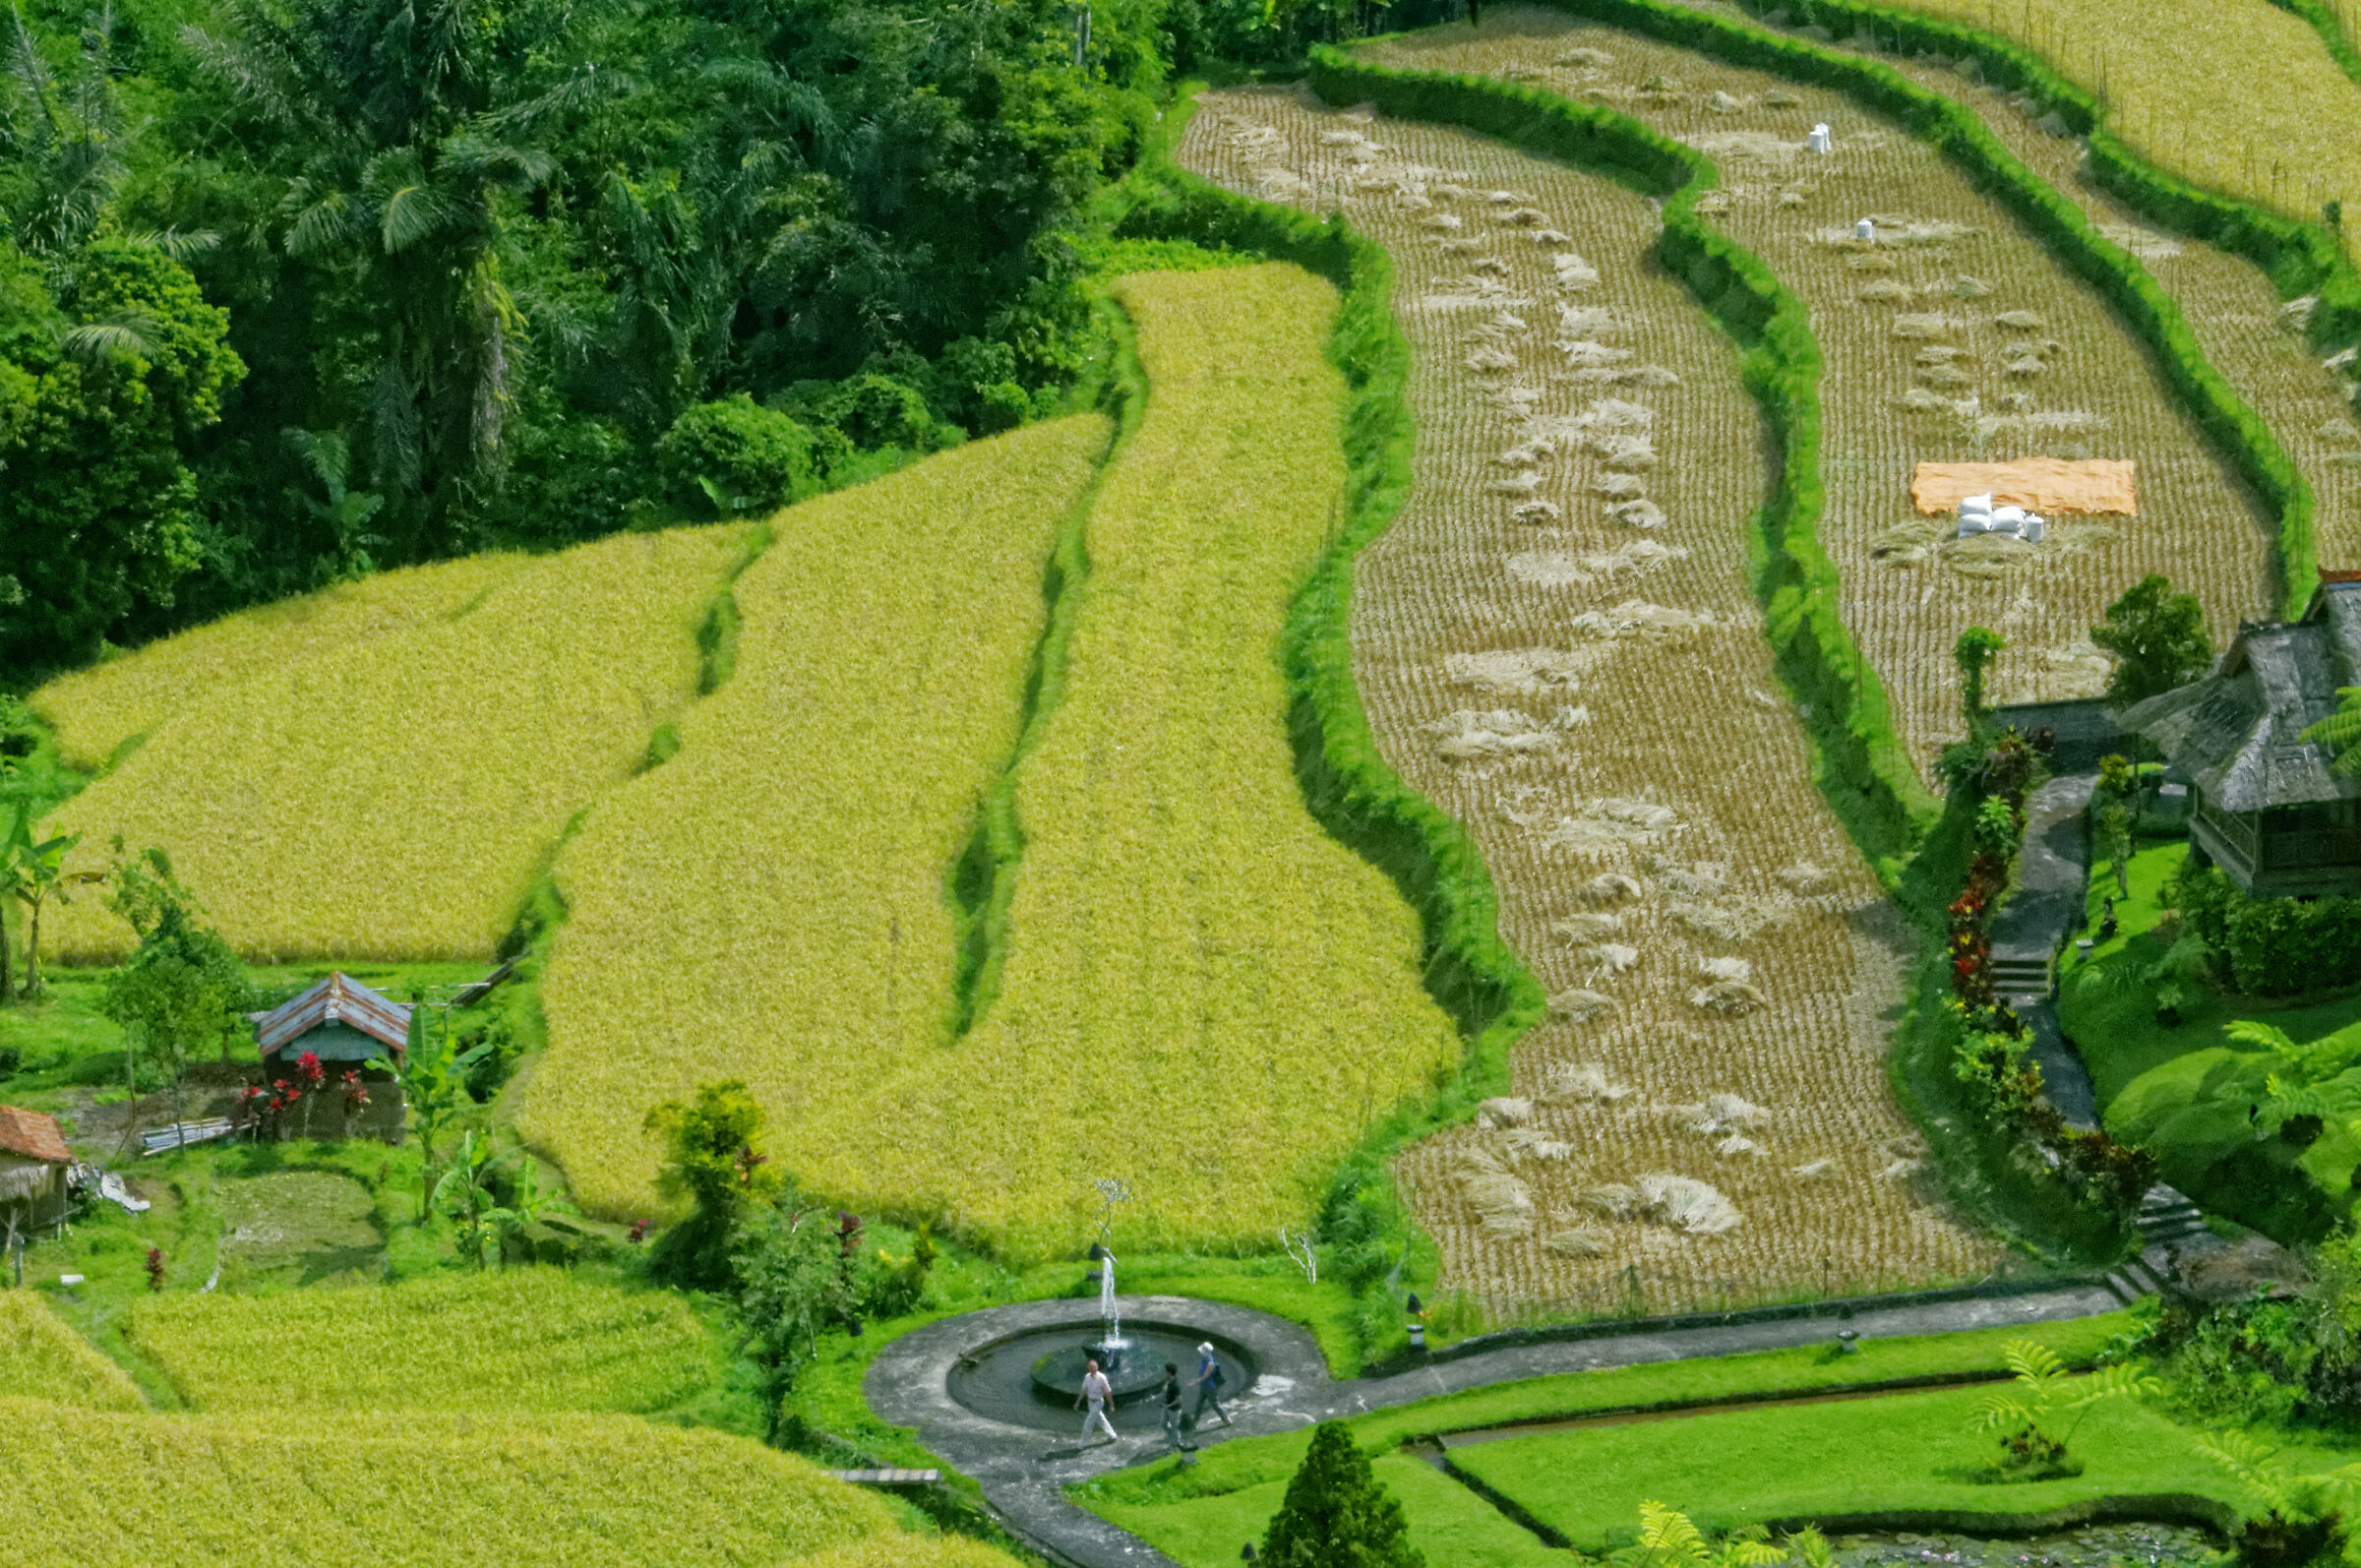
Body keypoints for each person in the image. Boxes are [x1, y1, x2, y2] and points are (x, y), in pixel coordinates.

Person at [1076, 1357, 1118, 1446]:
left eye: (1094, 1368)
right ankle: (1112, 1435)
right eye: (1091, 1368)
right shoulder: (1087, 1377)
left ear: (1097, 1368)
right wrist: (1078, 1402)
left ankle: (1083, 1443)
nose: (1093, 1370)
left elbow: (1107, 1392)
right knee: (1101, 1420)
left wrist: (1111, 1404)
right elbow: (1084, 1390)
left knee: (1088, 1422)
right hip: (1090, 1402)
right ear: (1088, 1368)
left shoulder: (1102, 1378)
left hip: (1098, 1402)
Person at [1190, 1342, 1229, 1428]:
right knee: (1199, 1404)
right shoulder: (1205, 1359)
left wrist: (1194, 1382)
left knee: (1215, 1405)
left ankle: (1226, 1419)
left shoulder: (1210, 1363)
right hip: (1204, 1386)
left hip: (1210, 1388)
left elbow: (1205, 1376)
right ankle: (1195, 1422)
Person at [1161, 1361, 1189, 1454]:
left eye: (1165, 1371)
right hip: (1166, 1407)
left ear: (1169, 1372)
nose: (1164, 1372)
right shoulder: (1168, 1380)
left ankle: (1175, 1446)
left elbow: (1179, 1399)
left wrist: (1168, 1406)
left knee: (1175, 1428)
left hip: (1174, 1410)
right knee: (1163, 1424)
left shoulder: (1175, 1385)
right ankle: (1172, 1439)